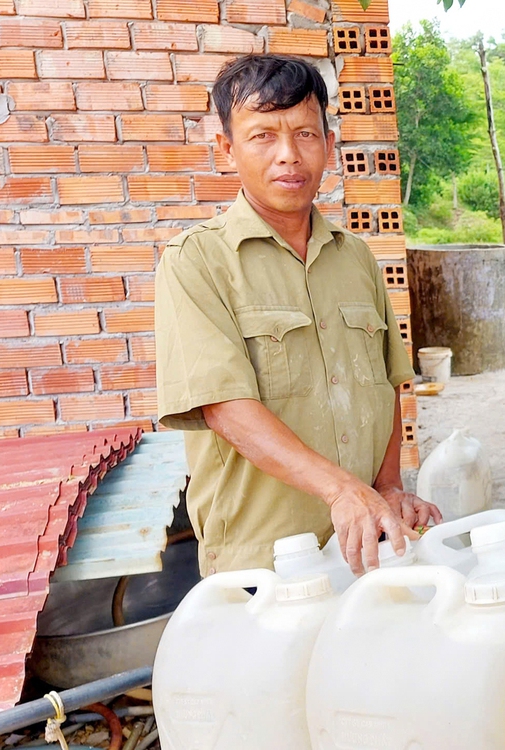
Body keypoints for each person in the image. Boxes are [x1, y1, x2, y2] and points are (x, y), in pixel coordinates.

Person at [154, 54, 441, 578]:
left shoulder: (356, 258)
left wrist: (387, 490)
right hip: (266, 566)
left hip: (365, 553)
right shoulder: (196, 262)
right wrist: (341, 489)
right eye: (263, 135)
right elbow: (224, 407)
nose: (289, 155)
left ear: (329, 146)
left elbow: (387, 384)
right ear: (226, 148)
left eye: (306, 134)